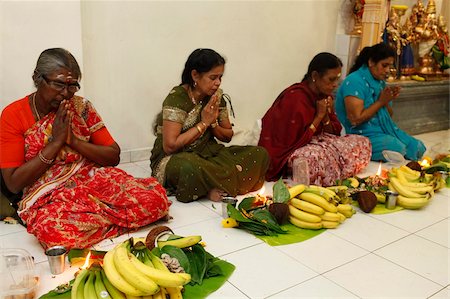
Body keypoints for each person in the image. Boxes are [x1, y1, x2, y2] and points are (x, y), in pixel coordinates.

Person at [0, 48, 170, 250]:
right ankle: (120, 222)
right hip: (48, 193)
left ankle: (95, 226)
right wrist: (55, 143)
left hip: (91, 180)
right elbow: (13, 183)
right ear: (37, 78)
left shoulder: (81, 108)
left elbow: (113, 155)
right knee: (52, 232)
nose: (66, 93)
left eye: (72, 86)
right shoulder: (14, 115)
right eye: (59, 84)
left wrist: (73, 140)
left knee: (156, 199)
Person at [150, 48, 269, 203]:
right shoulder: (177, 98)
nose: (218, 83)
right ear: (195, 75)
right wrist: (203, 123)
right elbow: (170, 146)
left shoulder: (216, 97)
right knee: (189, 167)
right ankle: (211, 188)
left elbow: (227, 136)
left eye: (220, 77)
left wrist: (212, 123)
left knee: (259, 154)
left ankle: (208, 185)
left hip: (208, 153)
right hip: (175, 157)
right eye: (213, 77)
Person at [258, 53, 371, 186]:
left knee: (362, 142)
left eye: (337, 80)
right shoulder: (295, 98)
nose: (335, 85)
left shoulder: (324, 96)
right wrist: (318, 116)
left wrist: (326, 117)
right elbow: (293, 142)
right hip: (293, 150)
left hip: (319, 143)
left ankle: (331, 172)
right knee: (310, 158)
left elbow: (334, 134)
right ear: (315, 76)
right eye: (331, 79)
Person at [335, 43, 426, 161]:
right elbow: (355, 119)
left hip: (382, 131)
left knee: (417, 147)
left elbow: (389, 115)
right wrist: (381, 102)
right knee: (397, 148)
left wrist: (388, 100)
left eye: (390, 66)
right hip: (359, 135)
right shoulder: (354, 81)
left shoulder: (379, 82)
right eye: (384, 65)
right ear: (371, 62)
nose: (387, 70)